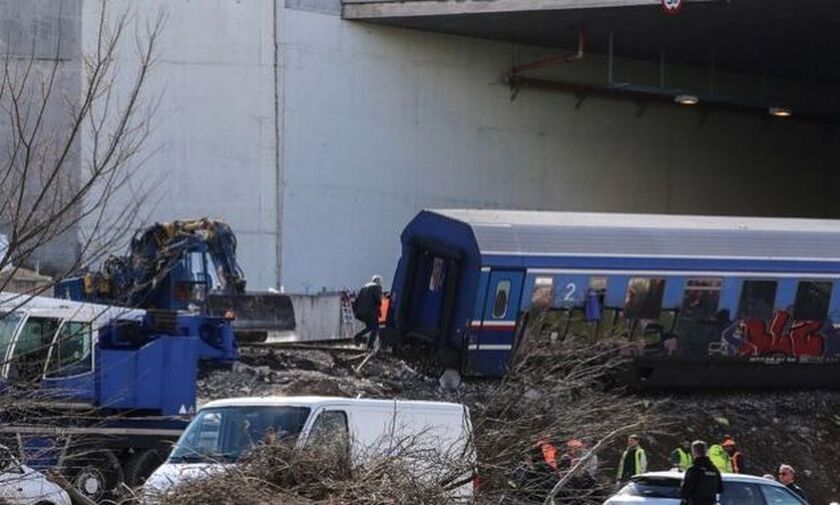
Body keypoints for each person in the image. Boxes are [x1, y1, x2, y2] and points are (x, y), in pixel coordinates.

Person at [680, 440, 723, 505]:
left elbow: (685, 490)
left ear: (694, 452)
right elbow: (719, 489)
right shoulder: (714, 469)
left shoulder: (694, 469)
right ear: (706, 451)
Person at [352, 275, 384, 350]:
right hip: (371, 312)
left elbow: (356, 300)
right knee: (375, 327)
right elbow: (378, 300)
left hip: (360, 312)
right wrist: (382, 298)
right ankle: (370, 345)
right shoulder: (377, 287)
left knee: (370, 327)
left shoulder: (363, 288)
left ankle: (359, 337)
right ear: (379, 282)